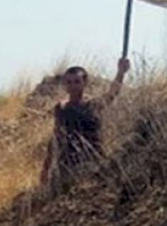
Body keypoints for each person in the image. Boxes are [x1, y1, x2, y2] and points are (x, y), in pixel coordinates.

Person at [39, 57, 131, 191]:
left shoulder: (92, 105)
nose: (72, 86)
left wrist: (120, 73)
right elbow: (55, 137)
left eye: (76, 81)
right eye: (69, 82)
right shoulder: (61, 108)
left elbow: (112, 94)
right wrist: (45, 168)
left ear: (84, 83)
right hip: (66, 165)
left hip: (91, 162)